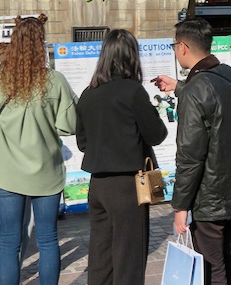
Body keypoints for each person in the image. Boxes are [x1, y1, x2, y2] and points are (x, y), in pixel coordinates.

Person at [152, 18, 231, 285]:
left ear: (183, 47)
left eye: (174, 46)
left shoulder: (197, 89)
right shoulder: (229, 75)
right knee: (222, 255)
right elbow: (213, 104)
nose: (175, 51)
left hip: (211, 195)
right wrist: (180, 87)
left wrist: (180, 206)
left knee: (212, 265)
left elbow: (189, 156)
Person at [0, 15, 78, 285]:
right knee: (48, 240)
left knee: (9, 243)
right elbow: (68, 125)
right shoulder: (55, 81)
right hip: (46, 172)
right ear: (41, 43)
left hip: (5, 171)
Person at [76, 29, 168, 285]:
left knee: (101, 256)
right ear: (132, 57)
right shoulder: (133, 91)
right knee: (129, 257)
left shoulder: (88, 93)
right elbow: (156, 134)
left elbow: (82, 142)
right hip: (129, 184)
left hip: (98, 184)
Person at [0, 42, 34, 285]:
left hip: (5, 166)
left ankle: (1, 275)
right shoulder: (0, 87)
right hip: (9, 167)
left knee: (9, 228)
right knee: (8, 229)